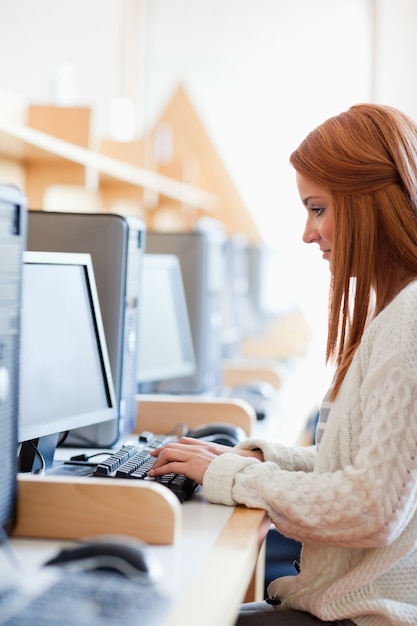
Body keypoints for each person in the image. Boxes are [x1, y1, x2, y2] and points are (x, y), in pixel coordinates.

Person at [149, 103, 417, 625]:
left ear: (370, 203)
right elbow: (359, 469)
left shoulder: (408, 322)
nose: (307, 233)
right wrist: (252, 459)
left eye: (318, 209)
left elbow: (370, 508)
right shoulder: (398, 310)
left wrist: (231, 476)